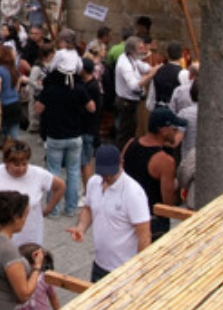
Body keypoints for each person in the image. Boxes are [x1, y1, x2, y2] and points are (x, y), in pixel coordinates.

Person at [69, 144, 151, 282]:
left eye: (110, 172)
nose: (106, 176)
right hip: (99, 264)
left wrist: (139, 270)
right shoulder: (93, 182)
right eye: (103, 172)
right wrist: (81, 228)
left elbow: (144, 235)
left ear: (121, 163)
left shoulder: (133, 193)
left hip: (124, 269)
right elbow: (88, 208)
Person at [0, 140, 62, 253]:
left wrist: (48, 209)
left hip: (30, 233)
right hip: (1, 234)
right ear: (6, 162)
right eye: (16, 165)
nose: (21, 168)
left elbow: (60, 186)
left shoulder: (38, 174)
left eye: (24, 164)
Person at [36, 65, 94, 218]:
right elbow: (92, 107)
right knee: (73, 172)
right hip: (75, 135)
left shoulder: (50, 90)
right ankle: (71, 208)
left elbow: (38, 109)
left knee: (53, 172)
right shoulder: (79, 89)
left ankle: (53, 210)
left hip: (55, 136)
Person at [122, 108, 183, 240]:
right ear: (163, 130)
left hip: (127, 214)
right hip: (151, 220)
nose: (177, 131)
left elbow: (120, 174)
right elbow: (167, 203)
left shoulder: (130, 143)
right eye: (174, 128)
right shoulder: (165, 161)